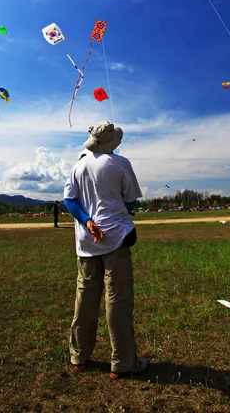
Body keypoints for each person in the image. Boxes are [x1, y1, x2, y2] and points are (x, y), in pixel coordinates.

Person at [64, 121, 149, 379]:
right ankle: (123, 361)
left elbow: (69, 200)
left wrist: (88, 221)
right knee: (118, 300)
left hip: (87, 244)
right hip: (117, 239)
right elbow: (131, 202)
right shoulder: (120, 163)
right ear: (112, 143)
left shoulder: (77, 166)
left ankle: (79, 357)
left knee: (85, 301)